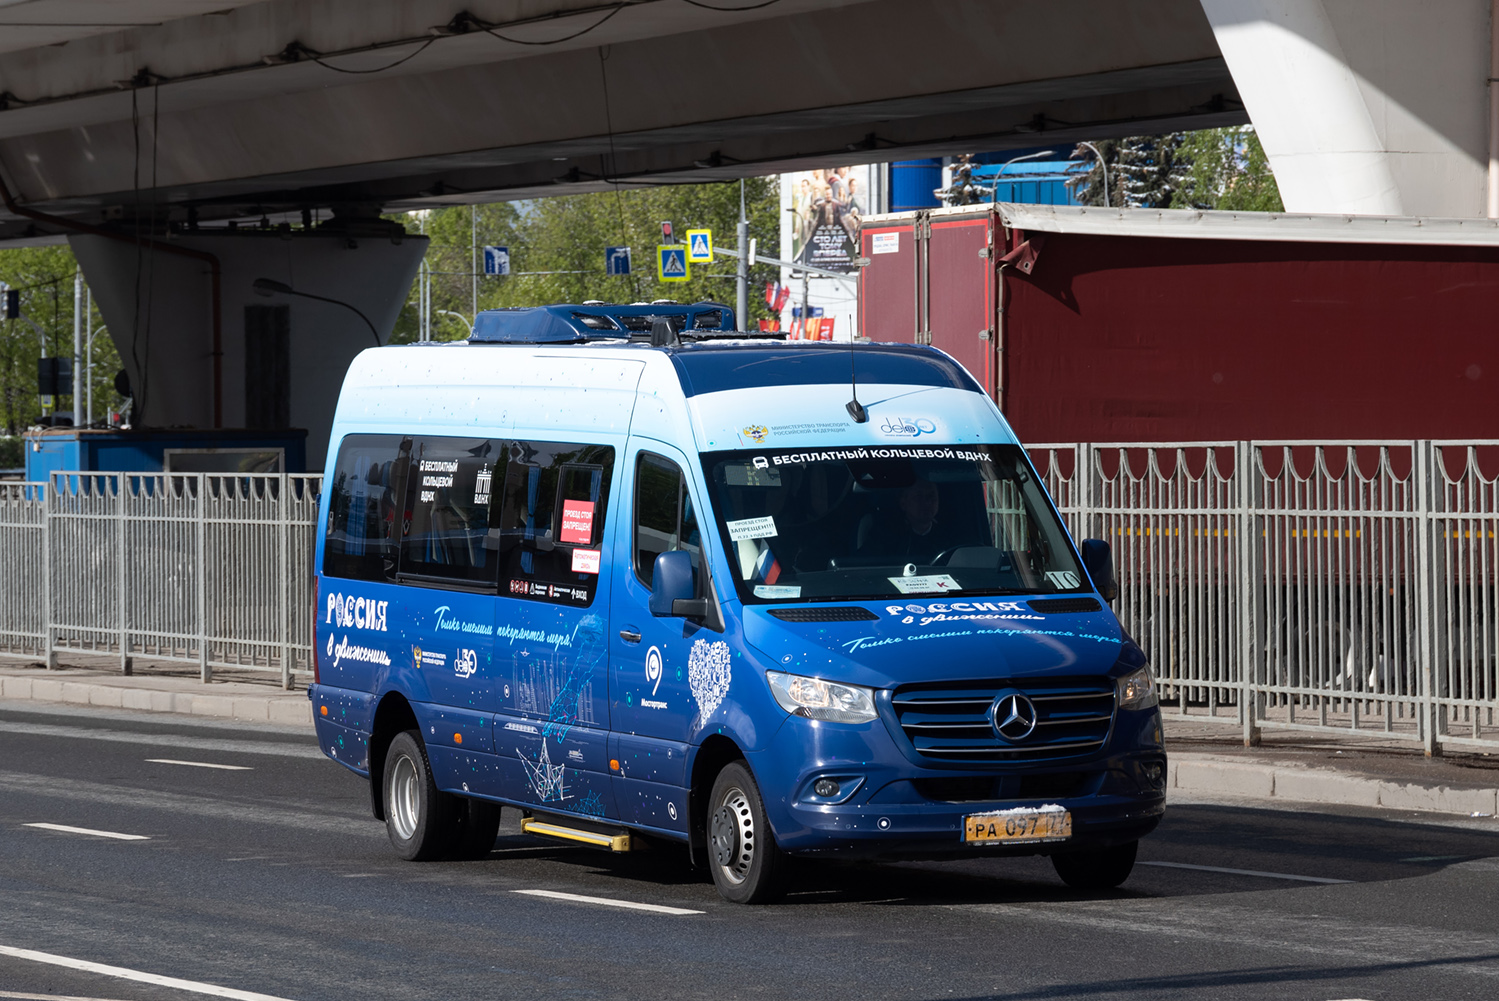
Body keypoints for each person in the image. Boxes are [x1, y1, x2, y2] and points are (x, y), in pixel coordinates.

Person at [859, 478, 950, 564]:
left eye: (931, 496)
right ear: (903, 503)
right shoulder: (884, 534)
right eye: (919, 496)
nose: (927, 502)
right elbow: (864, 564)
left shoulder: (949, 535)